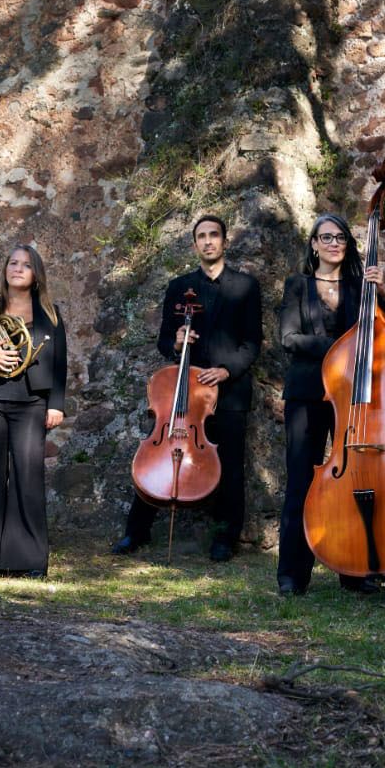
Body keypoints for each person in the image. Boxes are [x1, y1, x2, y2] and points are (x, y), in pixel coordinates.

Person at [111, 215, 263, 561]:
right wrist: (177, 342)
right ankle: (136, 531)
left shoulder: (245, 286)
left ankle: (225, 538)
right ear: (195, 244)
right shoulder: (179, 287)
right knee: (157, 453)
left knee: (230, 466)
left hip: (229, 391)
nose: (208, 241)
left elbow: (253, 342)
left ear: (224, 241)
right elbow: (165, 340)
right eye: (201, 237)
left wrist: (226, 371)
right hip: (182, 394)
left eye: (214, 235)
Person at [275, 213, 385, 596]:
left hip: (352, 397)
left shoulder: (361, 286)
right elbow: (289, 338)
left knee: (356, 481)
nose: (333, 243)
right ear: (313, 244)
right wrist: (341, 347)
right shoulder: (298, 285)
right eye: (325, 237)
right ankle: (293, 574)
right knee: (301, 481)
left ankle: (354, 568)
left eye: (340, 237)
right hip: (307, 393)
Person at [0, 244, 68, 578]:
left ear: (36, 275)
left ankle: (29, 560)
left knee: (28, 477)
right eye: (13, 263)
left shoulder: (50, 312)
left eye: (26, 265)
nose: (18, 268)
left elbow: (60, 360)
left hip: (32, 402)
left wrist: (57, 404)